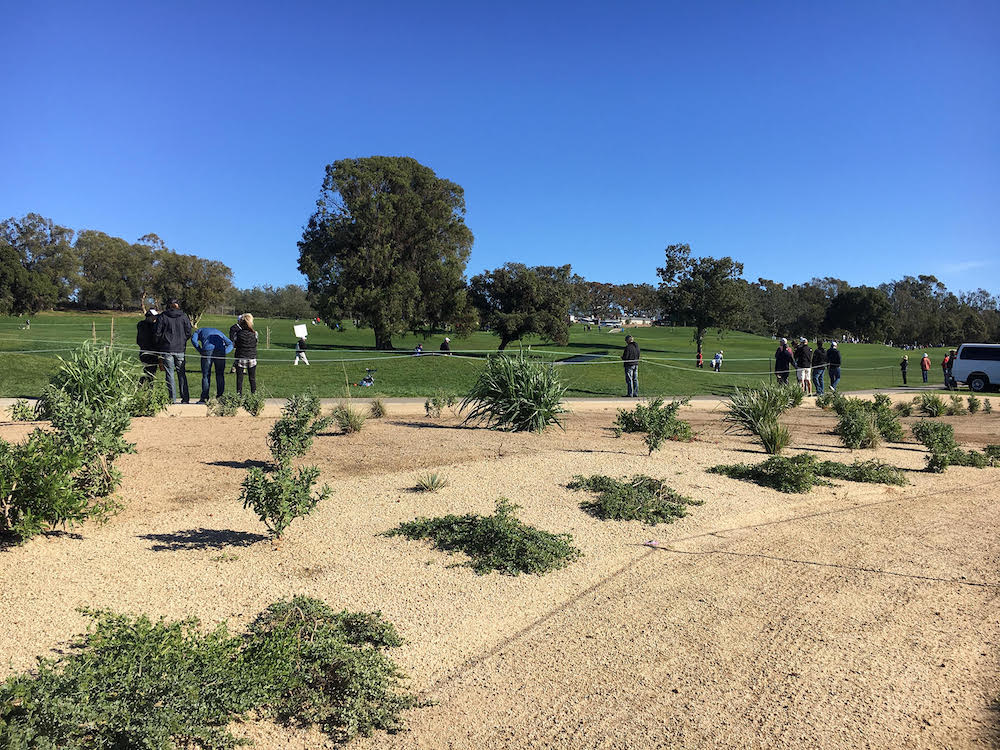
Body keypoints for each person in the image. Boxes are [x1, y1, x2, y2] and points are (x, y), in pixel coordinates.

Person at [154, 300, 192, 403]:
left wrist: (160, 343)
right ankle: (185, 398)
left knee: (169, 374)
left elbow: (157, 332)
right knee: (181, 373)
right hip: (180, 348)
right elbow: (189, 331)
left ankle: (172, 399)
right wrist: (183, 340)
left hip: (167, 348)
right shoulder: (183, 316)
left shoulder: (163, 316)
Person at [191, 325, 234, 402]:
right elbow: (230, 344)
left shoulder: (198, 331)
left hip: (207, 350)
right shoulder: (218, 331)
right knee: (220, 374)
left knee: (206, 375)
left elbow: (194, 340)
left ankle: (204, 397)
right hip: (220, 351)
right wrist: (224, 352)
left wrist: (200, 350)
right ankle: (220, 397)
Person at [232, 313, 259, 395]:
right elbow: (256, 343)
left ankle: (238, 396)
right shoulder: (255, 333)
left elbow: (235, 344)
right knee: (252, 378)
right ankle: (254, 396)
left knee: (239, 379)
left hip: (240, 357)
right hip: (252, 357)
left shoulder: (238, 334)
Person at [136, 308, 160, 385]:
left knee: (148, 371)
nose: (155, 318)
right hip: (149, 351)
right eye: (154, 316)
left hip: (147, 351)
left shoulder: (141, 324)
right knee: (150, 371)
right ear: (149, 316)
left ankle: (142, 386)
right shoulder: (146, 326)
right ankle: (147, 387)